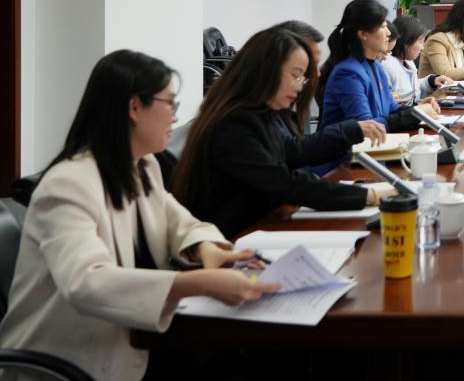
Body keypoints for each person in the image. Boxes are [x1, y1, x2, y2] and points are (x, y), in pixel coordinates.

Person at [0, 51, 279, 380]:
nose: (176, 117)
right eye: (170, 104)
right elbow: (86, 282)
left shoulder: (142, 165)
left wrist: (206, 249)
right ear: (134, 107)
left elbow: (178, 222)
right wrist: (194, 283)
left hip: (132, 340)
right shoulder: (67, 185)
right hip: (71, 362)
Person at [173, 28, 391, 238]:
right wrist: (370, 195)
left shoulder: (259, 113)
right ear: (266, 70)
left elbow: (288, 152)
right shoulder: (233, 124)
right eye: (296, 75)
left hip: (261, 228)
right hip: (234, 240)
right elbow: (283, 183)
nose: (300, 86)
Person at [269, 19, 388, 169]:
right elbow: (289, 151)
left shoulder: (375, 67)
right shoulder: (348, 71)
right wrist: (351, 130)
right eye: (298, 72)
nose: (317, 73)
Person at [316, 0, 430, 136]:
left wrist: (420, 109)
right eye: (383, 27)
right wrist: (415, 114)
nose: (388, 33)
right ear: (363, 34)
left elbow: (392, 108)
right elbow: (367, 126)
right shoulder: (347, 73)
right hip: (348, 149)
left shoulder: (376, 66)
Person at [380, 15, 451, 102]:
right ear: (406, 42)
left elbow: (412, 88)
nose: (422, 48)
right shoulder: (388, 66)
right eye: (420, 42)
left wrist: (432, 81)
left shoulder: (408, 62)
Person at [421, 0, 464, 81]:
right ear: (461, 19)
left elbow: (457, 69)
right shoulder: (437, 40)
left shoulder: (457, 39)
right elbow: (444, 74)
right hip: (437, 89)